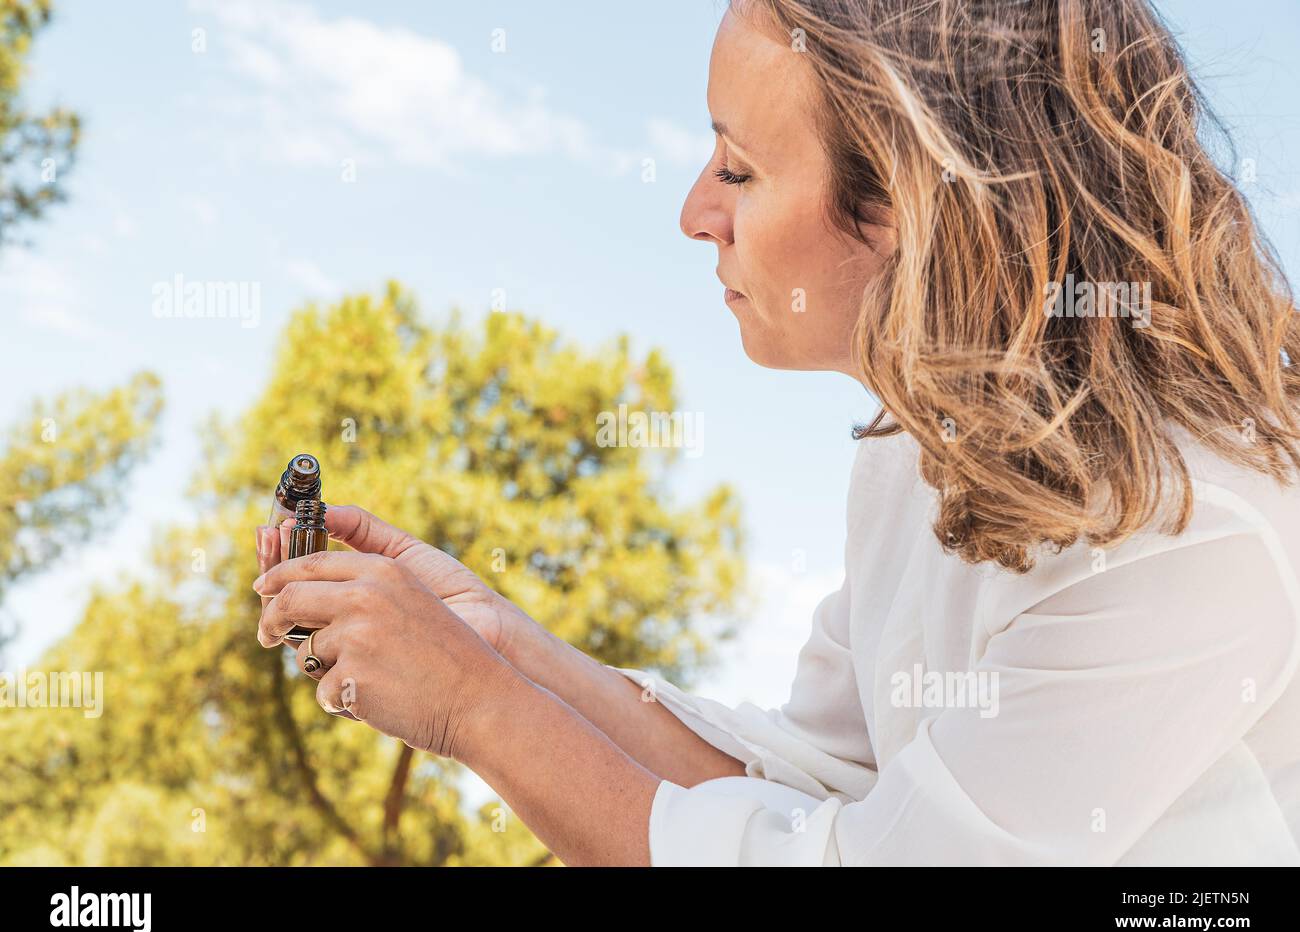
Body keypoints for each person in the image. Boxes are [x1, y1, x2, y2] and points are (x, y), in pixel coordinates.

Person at [252, 0, 1300, 865]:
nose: (693, 212)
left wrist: (477, 709)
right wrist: (496, 643)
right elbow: (808, 791)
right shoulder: (919, 453)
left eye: (738, 169)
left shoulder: (1184, 535)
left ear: (904, 201)